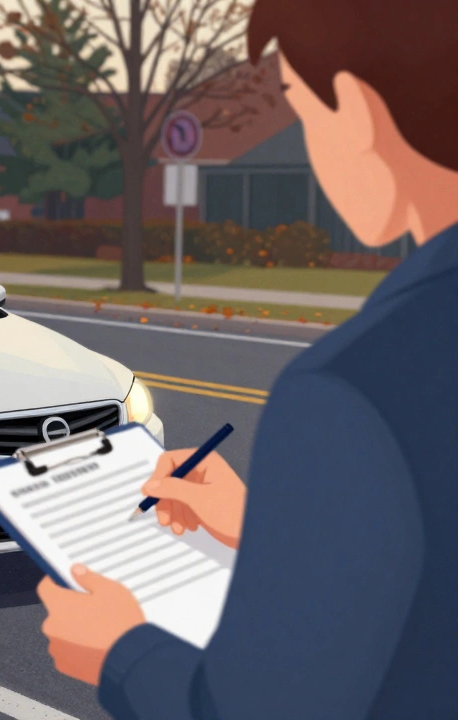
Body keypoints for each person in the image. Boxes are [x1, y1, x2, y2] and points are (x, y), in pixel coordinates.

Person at [36, 1, 458, 718]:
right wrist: (280, 528)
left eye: (301, 107)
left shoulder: (348, 392)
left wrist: (120, 651)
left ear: (355, 109)